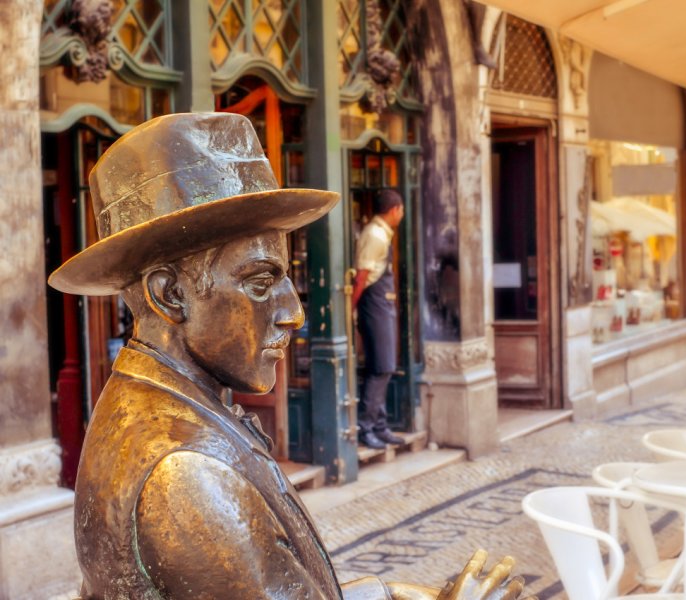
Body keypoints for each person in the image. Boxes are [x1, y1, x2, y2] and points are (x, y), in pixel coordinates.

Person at [48, 113, 529, 600]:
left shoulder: (160, 402)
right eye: (260, 282)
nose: (294, 313)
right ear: (171, 295)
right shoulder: (188, 478)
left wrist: (394, 593)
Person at [352, 189, 406, 449]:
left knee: (383, 365)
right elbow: (362, 276)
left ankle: (380, 424)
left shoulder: (381, 233)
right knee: (381, 366)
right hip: (374, 303)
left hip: (381, 303)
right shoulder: (375, 235)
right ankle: (367, 426)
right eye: (402, 210)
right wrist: (351, 305)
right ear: (395, 209)